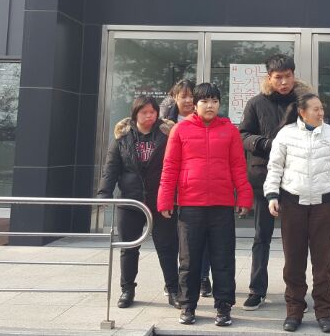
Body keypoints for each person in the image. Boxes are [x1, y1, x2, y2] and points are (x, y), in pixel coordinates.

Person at [157, 83, 253, 327]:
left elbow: (238, 167)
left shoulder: (229, 131)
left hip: (222, 205)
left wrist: (244, 196)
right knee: (189, 260)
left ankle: (224, 306)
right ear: (195, 105)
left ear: (219, 104)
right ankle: (188, 306)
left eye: (214, 101)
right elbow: (170, 167)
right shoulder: (180, 129)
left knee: (223, 258)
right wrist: (165, 198)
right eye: (204, 101)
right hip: (190, 205)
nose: (210, 106)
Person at [265, 94, 330, 334]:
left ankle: (324, 312)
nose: (321, 113)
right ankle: (294, 310)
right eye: (315, 109)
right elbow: (275, 167)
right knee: (293, 261)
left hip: (325, 205)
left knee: (323, 263)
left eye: (321, 108)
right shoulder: (286, 134)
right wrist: (272, 195)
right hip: (292, 204)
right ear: (302, 112)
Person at [238, 54, 312, 310]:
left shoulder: (304, 101)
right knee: (262, 237)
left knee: (297, 240)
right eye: (278, 77)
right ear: (269, 78)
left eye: (287, 76)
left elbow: (318, 129)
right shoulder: (256, 103)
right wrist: (267, 144)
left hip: (296, 178)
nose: (283, 82)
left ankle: (296, 292)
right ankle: (256, 290)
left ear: (294, 75)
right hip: (264, 177)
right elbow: (243, 135)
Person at [97, 96, 179, 309]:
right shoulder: (122, 137)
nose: (149, 116)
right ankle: (127, 290)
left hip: (160, 200)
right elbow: (111, 168)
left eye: (152, 112)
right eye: (144, 112)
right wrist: (104, 193)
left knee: (167, 247)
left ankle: (173, 289)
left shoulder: (167, 134)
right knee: (129, 248)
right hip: (130, 201)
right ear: (135, 114)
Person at [160, 79, 214, 297]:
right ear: (174, 98)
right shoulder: (163, 124)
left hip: (196, 190)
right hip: (174, 188)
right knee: (175, 239)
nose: (188, 100)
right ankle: (174, 281)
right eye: (183, 96)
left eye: (192, 96)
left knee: (203, 238)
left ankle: (203, 277)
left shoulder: (206, 120)